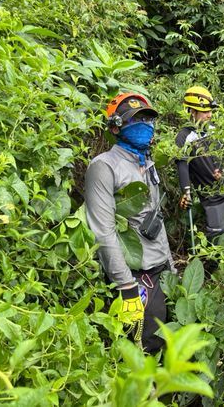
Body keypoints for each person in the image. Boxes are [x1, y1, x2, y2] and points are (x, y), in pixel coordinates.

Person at [85, 92, 175, 352]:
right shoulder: (104, 166)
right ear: (116, 126)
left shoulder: (148, 163)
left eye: (148, 119)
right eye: (136, 120)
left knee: (166, 347)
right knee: (144, 350)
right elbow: (103, 230)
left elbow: (156, 221)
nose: (144, 125)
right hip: (136, 277)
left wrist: (171, 268)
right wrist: (126, 286)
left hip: (161, 272)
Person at [175, 86, 224, 240]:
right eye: (205, 112)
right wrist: (186, 192)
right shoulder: (184, 137)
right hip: (212, 198)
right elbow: (182, 165)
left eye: (210, 111)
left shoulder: (214, 130)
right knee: (217, 235)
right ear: (191, 111)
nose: (209, 115)